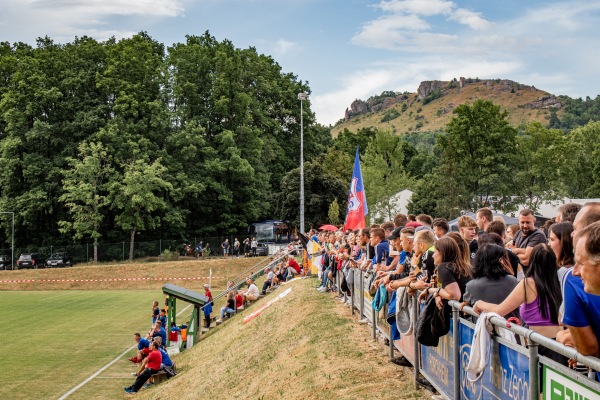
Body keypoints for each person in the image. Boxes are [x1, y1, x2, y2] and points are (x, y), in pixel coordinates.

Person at [474, 244, 566, 366]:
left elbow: (499, 310)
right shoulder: (561, 281)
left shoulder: (528, 284)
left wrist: (479, 303)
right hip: (559, 346)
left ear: (533, 262)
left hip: (540, 347)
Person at [559, 203, 600, 362]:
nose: (571, 234)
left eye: (575, 229)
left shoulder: (572, 280)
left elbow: (588, 348)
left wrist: (562, 336)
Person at [464, 244, 519, 319]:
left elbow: (467, 306)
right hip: (512, 327)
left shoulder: (471, 285)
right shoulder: (512, 280)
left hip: (482, 328)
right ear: (500, 261)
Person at [419, 235, 472, 308]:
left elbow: (454, 296)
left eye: (435, 252)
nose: (432, 256)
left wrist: (437, 291)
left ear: (442, 253)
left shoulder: (444, 267)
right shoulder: (463, 266)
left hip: (459, 315)